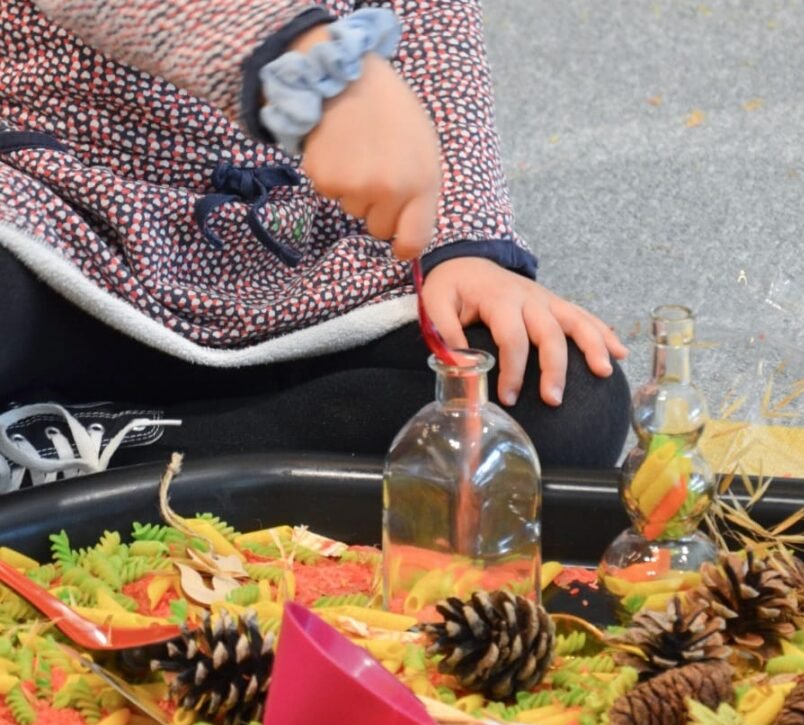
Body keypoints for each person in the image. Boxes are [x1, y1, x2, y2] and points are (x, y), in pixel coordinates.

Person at [0, 0, 630, 491]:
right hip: (58, 214)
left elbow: (429, 23)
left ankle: (88, 451)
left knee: (557, 402)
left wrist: (463, 243)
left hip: (296, 255)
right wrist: (311, 68)